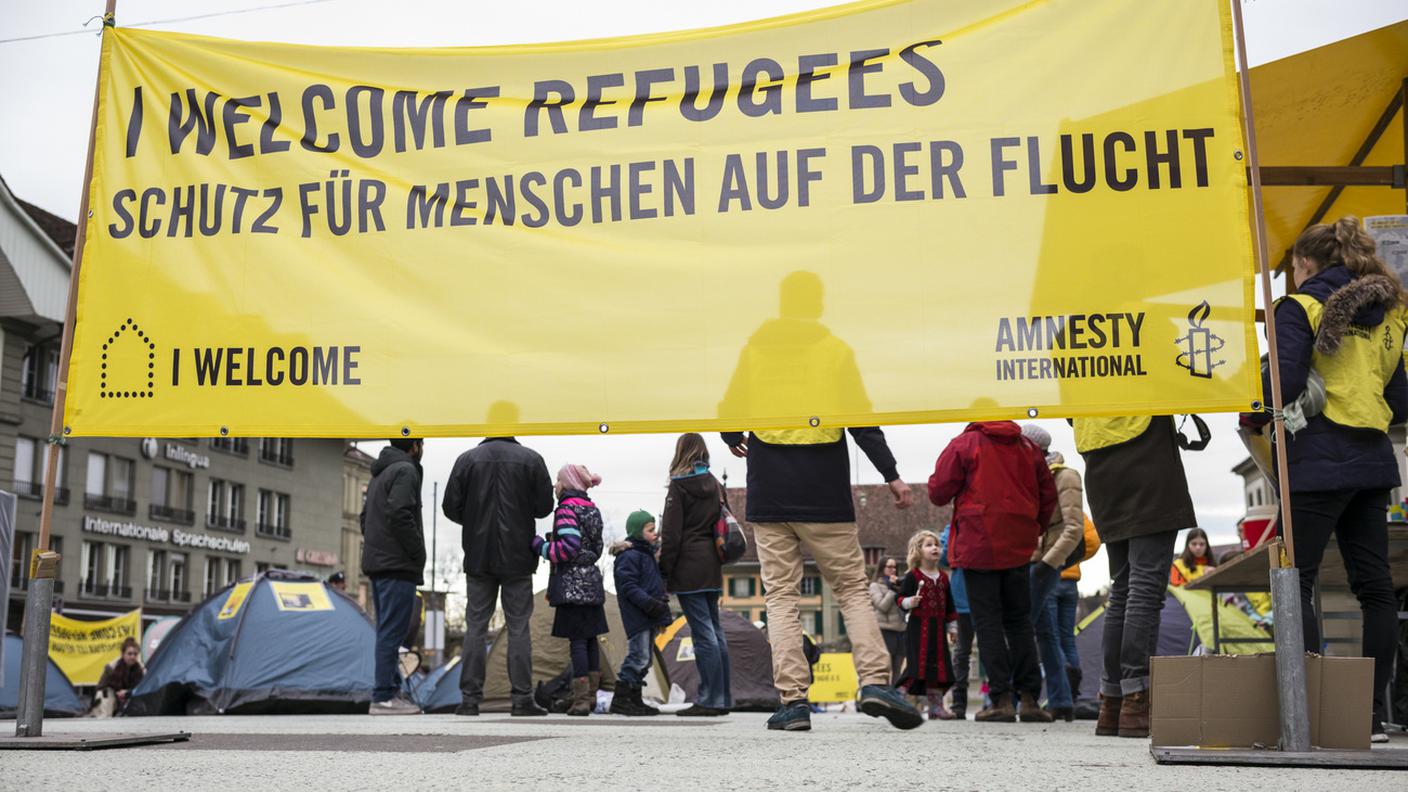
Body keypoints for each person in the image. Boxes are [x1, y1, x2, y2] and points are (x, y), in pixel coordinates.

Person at [1257, 216, 1408, 743]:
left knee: (1295, 580)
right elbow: (1401, 400)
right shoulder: (1392, 314)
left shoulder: (1299, 307)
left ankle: (1313, 709)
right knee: (1375, 590)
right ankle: (1368, 718)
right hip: (1372, 460)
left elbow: (1286, 381)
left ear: (1304, 263)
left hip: (1318, 457)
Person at [719, 425, 922, 733]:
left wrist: (731, 437)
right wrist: (891, 474)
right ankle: (875, 682)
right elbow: (863, 424)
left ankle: (794, 703)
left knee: (780, 597)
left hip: (769, 495)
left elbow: (730, 404)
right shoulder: (834, 374)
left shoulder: (755, 375)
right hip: (826, 495)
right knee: (853, 591)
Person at [1072, 415, 1196, 739]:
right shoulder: (1144, 360)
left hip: (1100, 466)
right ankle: (1136, 700)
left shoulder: (1072, 361)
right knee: (1144, 588)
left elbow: (1073, 413)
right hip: (1147, 457)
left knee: (1124, 589)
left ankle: (1112, 703)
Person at [928, 420, 1056, 724]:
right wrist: (1033, 527)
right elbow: (1048, 495)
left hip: (978, 542)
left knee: (987, 622)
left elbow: (938, 491)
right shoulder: (1028, 447)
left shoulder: (965, 443)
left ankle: (1000, 699)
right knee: (1019, 621)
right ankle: (1029, 699)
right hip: (1018, 544)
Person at [442, 428, 555, 717]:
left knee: (476, 626)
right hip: (518, 557)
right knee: (518, 627)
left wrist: (474, 519)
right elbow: (544, 508)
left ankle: (469, 700)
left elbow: (450, 507)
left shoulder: (466, 460)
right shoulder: (532, 460)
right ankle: (521, 699)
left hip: (478, 555)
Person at [659, 433, 732, 717]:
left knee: (703, 635)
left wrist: (665, 569)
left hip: (688, 566)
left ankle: (709, 699)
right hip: (712, 565)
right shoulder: (714, 484)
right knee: (715, 631)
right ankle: (723, 697)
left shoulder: (679, 487)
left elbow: (672, 535)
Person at [534, 464, 609, 717]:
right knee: (590, 641)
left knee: (577, 641)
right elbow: (596, 549)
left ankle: (579, 701)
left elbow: (567, 548)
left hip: (572, 587)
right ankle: (589, 699)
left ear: (567, 483)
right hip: (592, 583)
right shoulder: (592, 509)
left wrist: (540, 546)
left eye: (557, 480)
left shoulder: (566, 509)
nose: (555, 485)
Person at [1021, 424, 1085, 721]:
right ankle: (1061, 701)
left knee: (1022, 630)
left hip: (1045, 567)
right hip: (1029, 563)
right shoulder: (1031, 476)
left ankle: (1017, 697)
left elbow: (1074, 528)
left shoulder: (1065, 476)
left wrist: (1049, 564)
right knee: (1046, 635)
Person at [361, 437, 427, 715]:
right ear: (414, 445)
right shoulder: (405, 470)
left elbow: (364, 518)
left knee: (386, 630)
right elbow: (400, 513)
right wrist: (417, 551)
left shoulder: (379, 473)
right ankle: (385, 696)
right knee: (393, 632)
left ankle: (389, 690)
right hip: (398, 564)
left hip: (379, 562)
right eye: (422, 444)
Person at [609, 509, 672, 716]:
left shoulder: (647, 555)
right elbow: (629, 586)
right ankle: (621, 699)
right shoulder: (629, 556)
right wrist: (649, 604)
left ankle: (634, 698)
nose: (655, 533)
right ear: (637, 531)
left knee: (646, 659)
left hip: (648, 614)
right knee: (638, 656)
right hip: (638, 615)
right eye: (650, 530)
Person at [896, 530, 957, 720]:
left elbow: (949, 605)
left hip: (938, 630)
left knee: (939, 667)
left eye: (937, 545)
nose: (935, 548)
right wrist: (909, 602)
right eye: (929, 545)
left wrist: (953, 627)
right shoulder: (912, 576)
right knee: (916, 666)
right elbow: (899, 599)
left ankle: (936, 707)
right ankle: (897, 699)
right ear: (918, 551)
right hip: (917, 629)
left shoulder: (944, 578)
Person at [1052, 516, 1100, 703]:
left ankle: (1061, 693)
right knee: (1068, 639)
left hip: (1049, 576)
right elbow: (1094, 540)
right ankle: (1072, 694)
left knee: (1051, 637)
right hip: (1071, 582)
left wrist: (1053, 558)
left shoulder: (1047, 504)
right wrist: (1073, 556)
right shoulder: (1075, 510)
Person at [939, 524, 977, 720]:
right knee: (965, 651)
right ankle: (1000, 699)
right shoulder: (953, 527)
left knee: (964, 651)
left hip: (968, 596)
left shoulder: (953, 528)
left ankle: (961, 704)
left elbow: (945, 555)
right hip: (969, 597)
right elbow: (943, 555)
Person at [870, 557, 907, 685]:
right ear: (882, 569)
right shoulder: (875, 586)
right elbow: (882, 606)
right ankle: (884, 694)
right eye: (889, 567)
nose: (893, 570)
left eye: (894, 567)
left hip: (901, 630)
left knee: (898, 668)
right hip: (886, 630)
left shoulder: (898, 585)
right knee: (886, 667)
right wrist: (891, 590)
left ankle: (895, 694)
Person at [92, 637, 144, 717]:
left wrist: (127, 692)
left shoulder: (141, 669)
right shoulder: (112, 667)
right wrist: (117, 693)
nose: (132, 657)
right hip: (112, 695)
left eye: (135, 654)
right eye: (129, 654)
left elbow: (142, 688)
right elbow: (100, 687)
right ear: (123, 654)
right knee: (104, 694)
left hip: (130, 695)